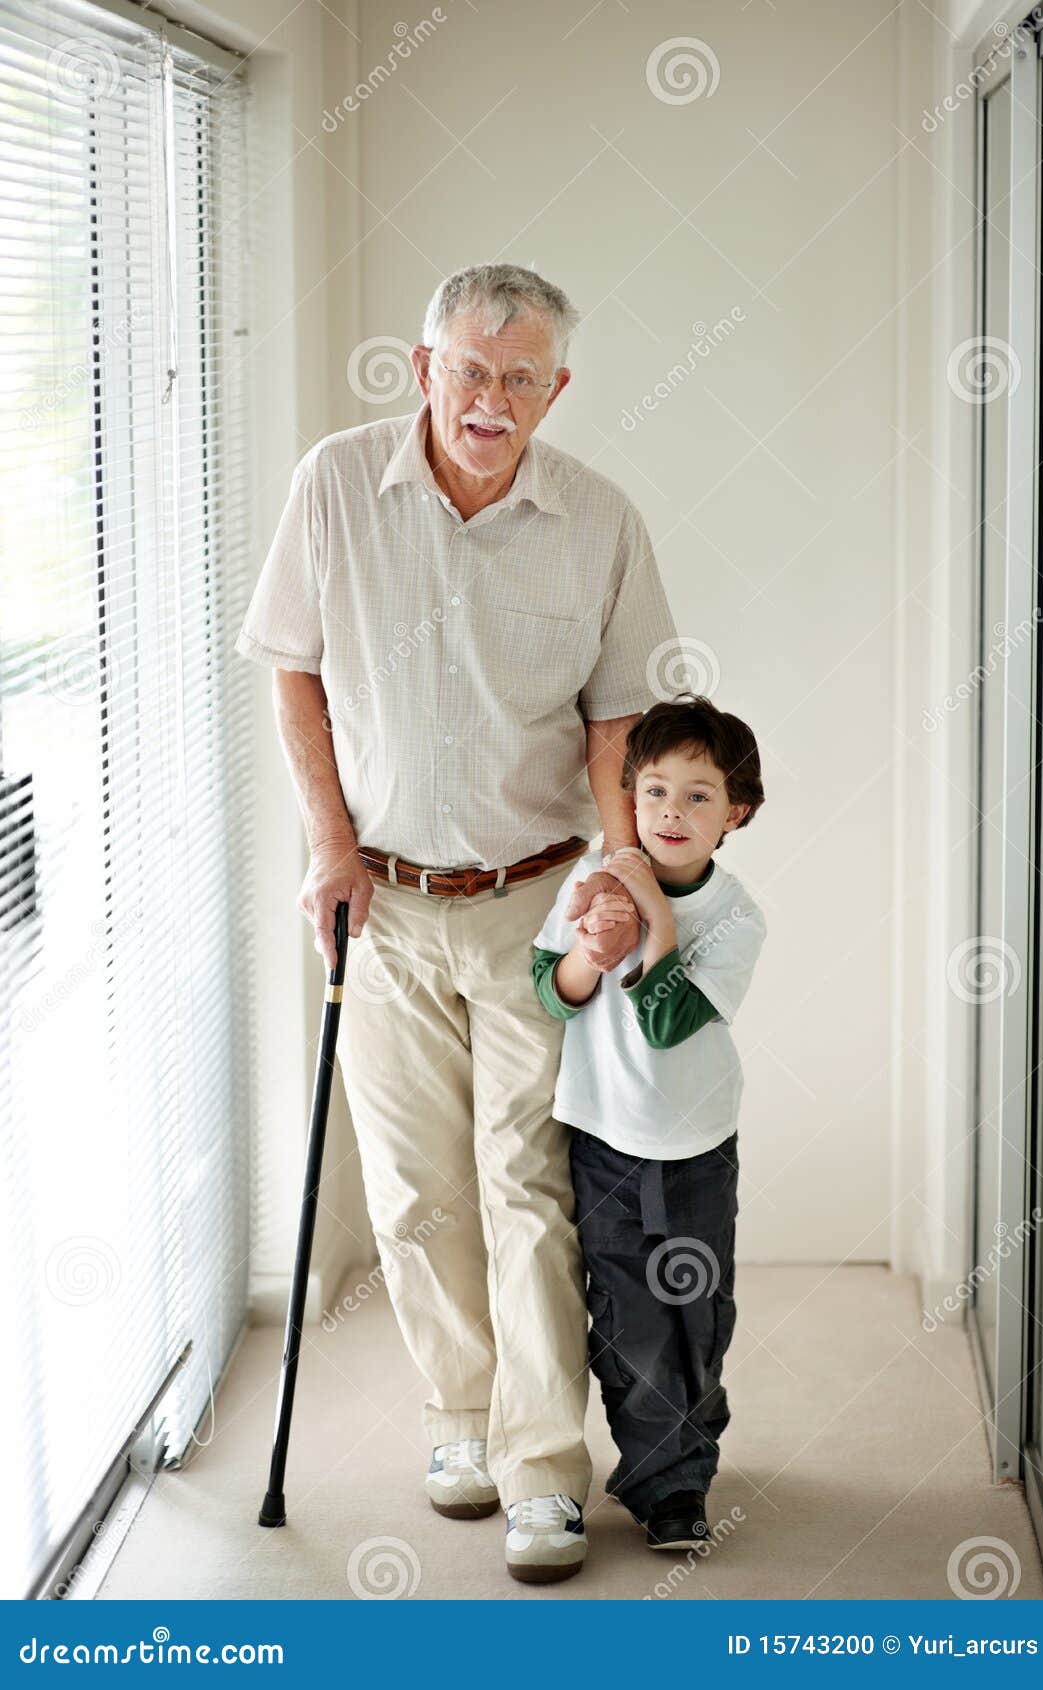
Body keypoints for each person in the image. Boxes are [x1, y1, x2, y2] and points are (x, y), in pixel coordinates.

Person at [233, 262, 679, 1583]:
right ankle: (458, 1425)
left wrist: (622, 863)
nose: (490, 400)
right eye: (468, 371)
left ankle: (545, 1470)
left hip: (534, 905)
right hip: (379, 900)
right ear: (422, 368)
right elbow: (294, 669)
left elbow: (617, 719)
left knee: (527, 1184)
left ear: (555, 388)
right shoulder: (335, 484)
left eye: (519, 377)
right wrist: (324, 842)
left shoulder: (595, 518)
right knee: (419, 1193)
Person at [530, 694, 767, 1550]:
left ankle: (689, 1445)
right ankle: (663, 1487)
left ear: (733, 813)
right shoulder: (588, 879)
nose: (672, 812)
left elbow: (668, 1022)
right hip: (603, 1144)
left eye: (699, 796)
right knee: (628, 1318)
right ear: (628, 798)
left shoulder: (735, 916)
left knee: (695, 1314)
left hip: (697, 1149)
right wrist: (591, 952)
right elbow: (548, 992)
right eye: (655, 791)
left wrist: (654, 920)